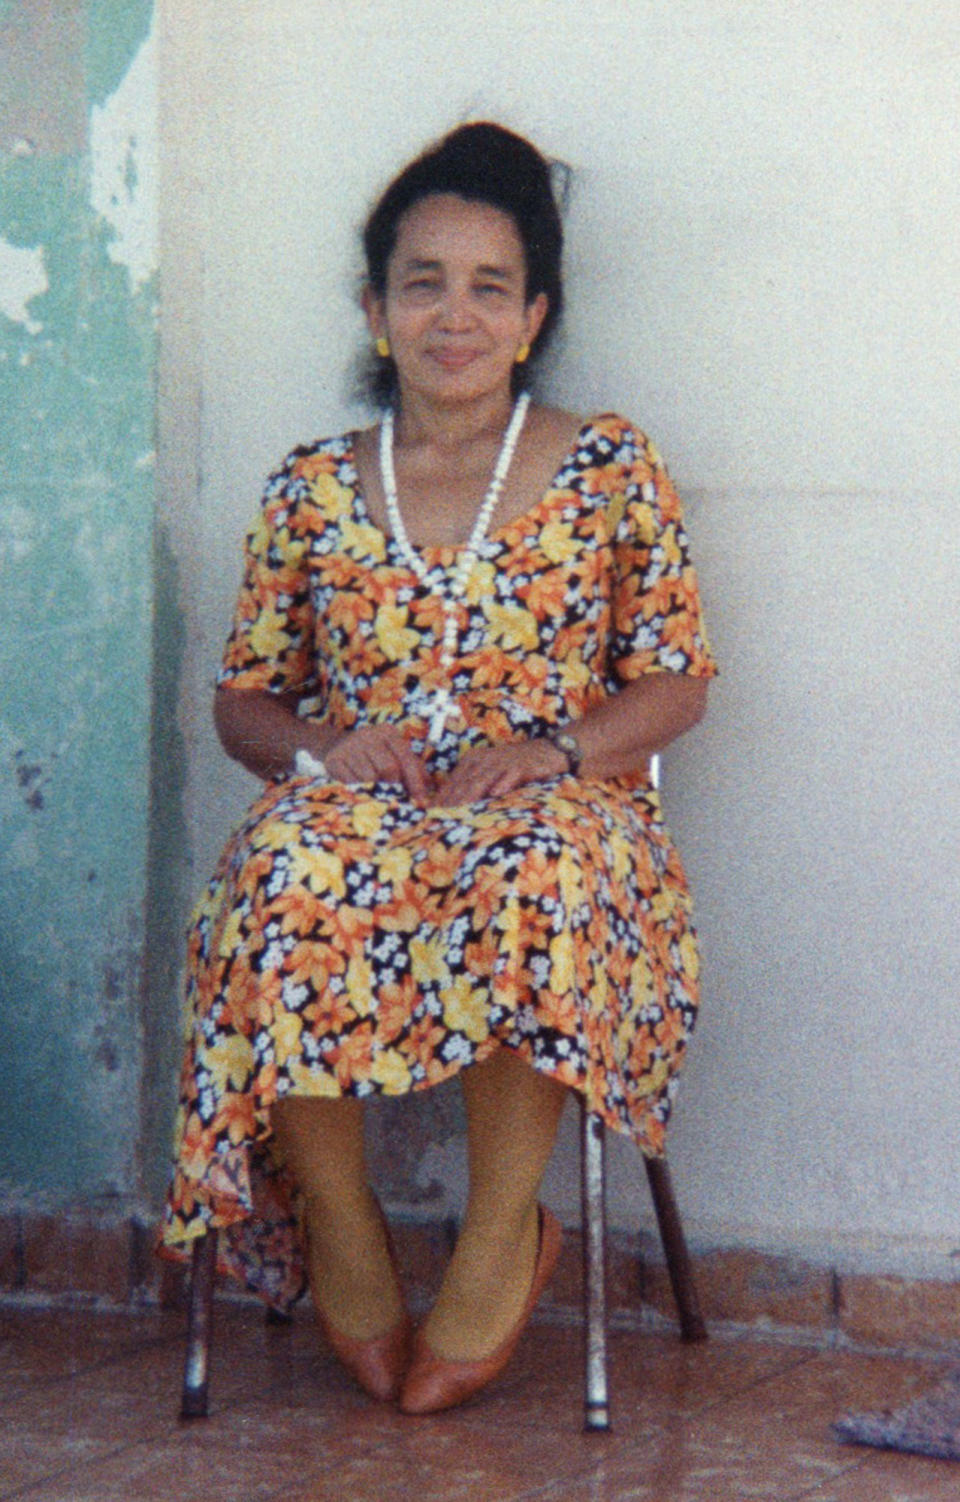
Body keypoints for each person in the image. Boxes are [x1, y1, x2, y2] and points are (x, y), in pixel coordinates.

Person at [161, 121, 717, 1415]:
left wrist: (557, 748)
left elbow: (681, 679)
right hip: (376, 812)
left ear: (531, 316)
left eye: (487, 286)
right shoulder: (310, 488)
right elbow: (243, 700)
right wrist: (316, 747)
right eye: (423, 281)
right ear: (375, 307)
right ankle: (346, 1231)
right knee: (277, 875)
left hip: (561, 810)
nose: (452, 314)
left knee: (534, 873)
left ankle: (498, 1235)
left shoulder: (610, 468)